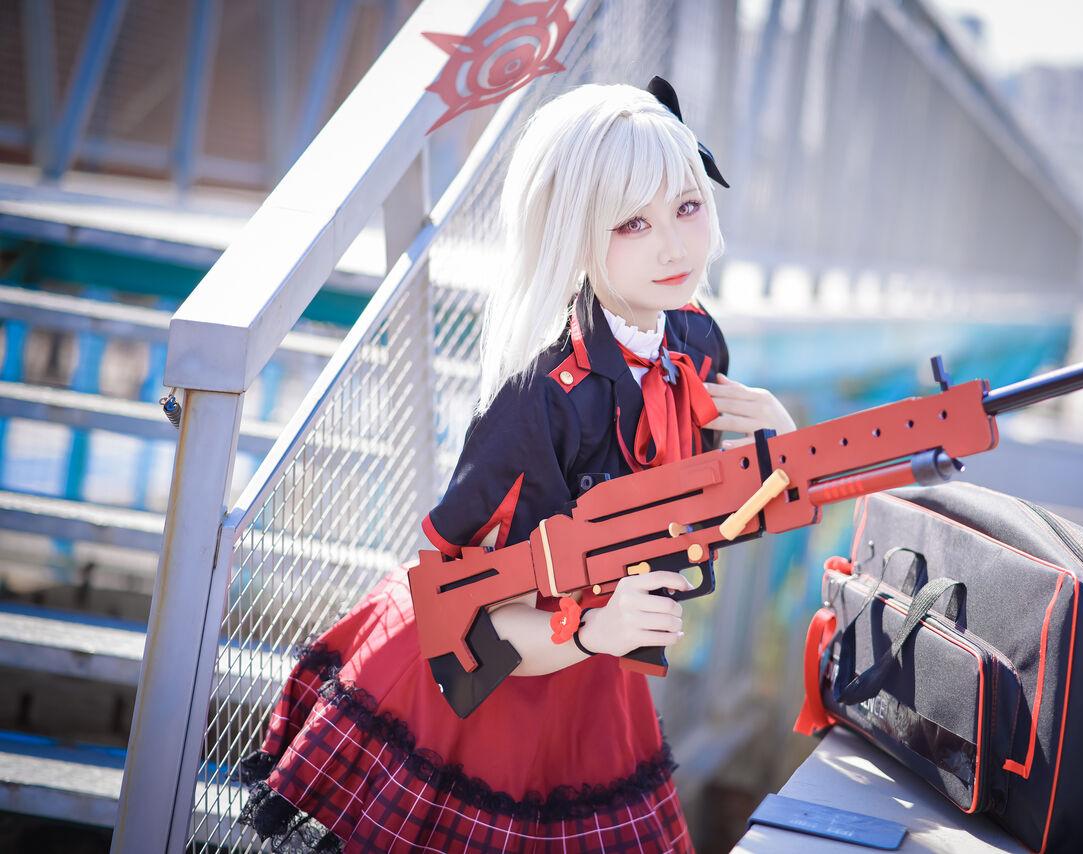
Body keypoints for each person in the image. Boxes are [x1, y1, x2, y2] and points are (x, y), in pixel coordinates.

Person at [237, 76, 796, 853]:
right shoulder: (537, 399)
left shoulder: (694, 338)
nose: (674, 245)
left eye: (688, 206)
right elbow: (462, 619)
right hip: (483, 696)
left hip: (596, 669)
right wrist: (595, 631)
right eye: (633, 222)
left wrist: (775, 452)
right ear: (573, 231)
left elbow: (691, 513)